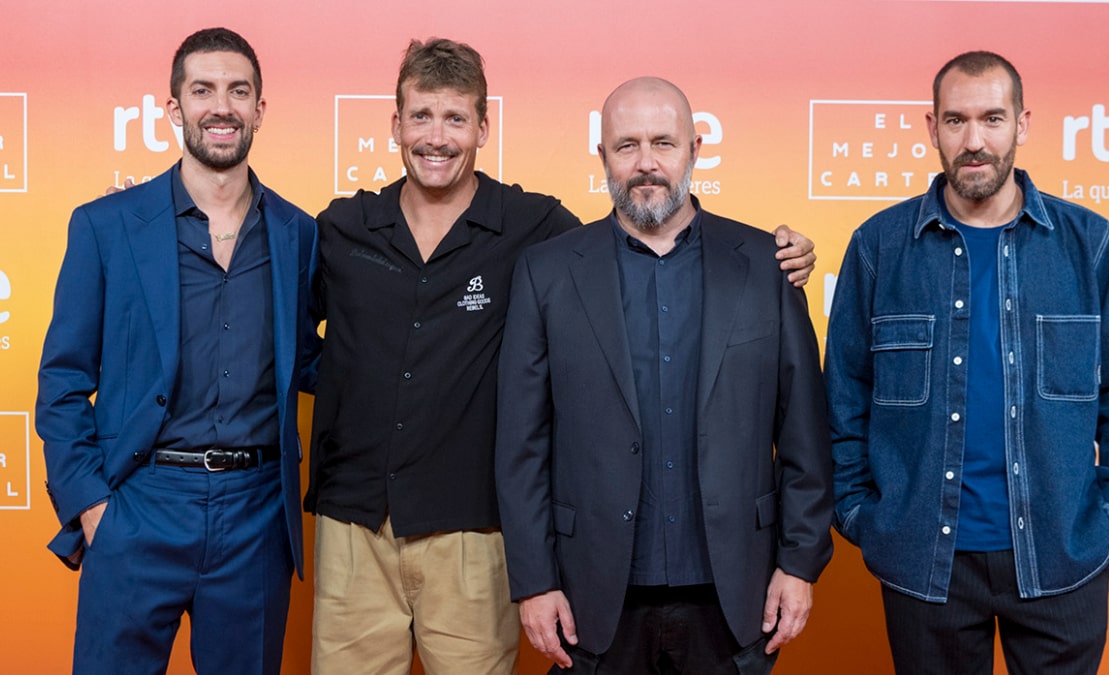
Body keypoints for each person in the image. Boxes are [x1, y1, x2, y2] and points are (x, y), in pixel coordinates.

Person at [306, 41, 818, 674]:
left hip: (499, 537)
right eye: (420, 117)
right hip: (375, 530)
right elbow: (294, 343)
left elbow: (802, 431)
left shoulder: (543, 233)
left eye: (456, 118)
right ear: (395, 125)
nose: (646, 163)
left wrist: (789, 252)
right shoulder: (344, 228)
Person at [824, 51, 1109, 675]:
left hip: (1063, 556)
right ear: (931, 128)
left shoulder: (1090, 243)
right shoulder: (878, 247)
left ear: (1022, 124)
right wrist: (862, 516)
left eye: (992, 119)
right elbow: (845, 398)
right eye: (955, 121)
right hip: (923, 562)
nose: (974, 141)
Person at [494, 76, 834, 675]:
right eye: (626, 146)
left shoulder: (765, 264)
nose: (645, 163)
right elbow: (520, 445)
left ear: (696, 149)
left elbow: (805, 434)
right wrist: (533, 581)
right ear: (602, 156)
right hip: (591, 597)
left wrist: (800, 563)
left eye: (663, 143)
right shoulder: (546, 273)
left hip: (737, 596)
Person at [37, 27, 319, 674]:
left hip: (255, 517)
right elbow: (62, 380)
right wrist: (92, 508)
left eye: (238, 91)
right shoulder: (104, 227)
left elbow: (308, 359)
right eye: (203, 90)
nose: (222, 106)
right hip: (137, 505)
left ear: (259, 110)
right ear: (174, 110)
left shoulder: (299, 235)